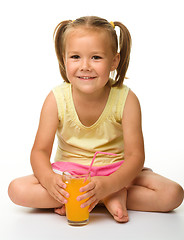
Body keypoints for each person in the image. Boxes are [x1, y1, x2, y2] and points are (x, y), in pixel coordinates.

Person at [8, 16, 183, 223]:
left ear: (114, 61)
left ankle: (92, 197)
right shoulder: (56, 99)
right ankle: (99, 198)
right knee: (16, 190)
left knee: (173, 194)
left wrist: (110, 184)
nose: (85, 66)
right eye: (75, 57)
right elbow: (39, 151)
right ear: (64, 59)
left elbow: (136, 156)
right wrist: (49, 180)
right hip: (70, 175)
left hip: (116, 171)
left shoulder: (126, 99)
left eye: (96, 58)